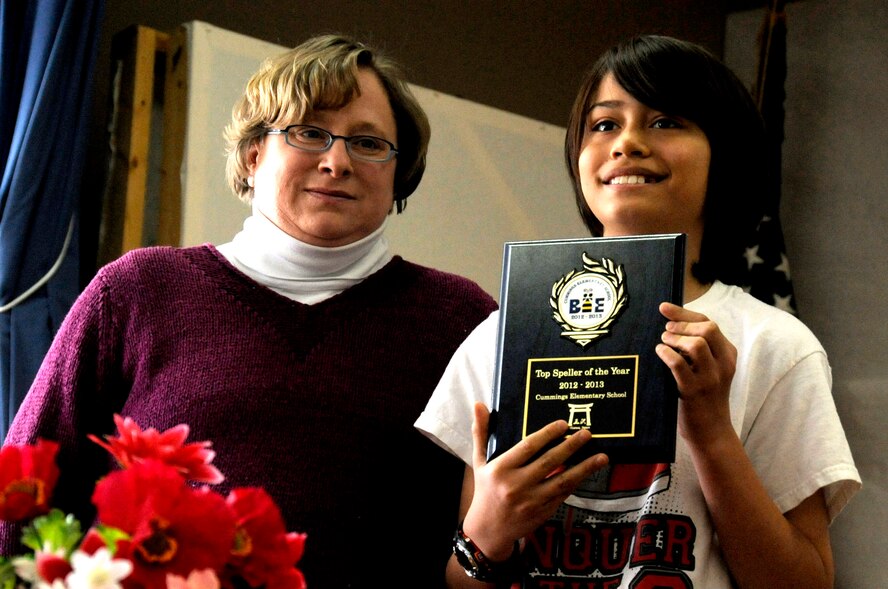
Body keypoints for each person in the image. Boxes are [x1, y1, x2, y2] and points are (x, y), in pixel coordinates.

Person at [2, 34, 498, 586]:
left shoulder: (465, 322)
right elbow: (22, 490)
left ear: (399, 173)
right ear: (253, 154)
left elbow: (502, 529)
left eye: (369, 143)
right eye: (310, 133)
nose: (337, 161)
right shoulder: (136, 292)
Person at [416, 34, 860, 588]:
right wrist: (489, 527)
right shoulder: (502, 336)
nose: (627, 143)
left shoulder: (776, 346)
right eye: (604, 125)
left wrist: (713, 433)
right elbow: (463, 581)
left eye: (665, 121)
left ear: (725, 155)